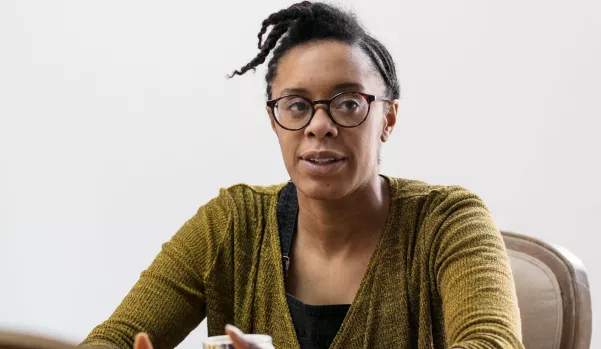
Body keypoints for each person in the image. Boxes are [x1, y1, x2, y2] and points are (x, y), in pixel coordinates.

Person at [81, 2, 524, 349]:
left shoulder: (448, 221)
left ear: (388, 118)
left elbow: (494, 343)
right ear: (274, 121)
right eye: (296, 105)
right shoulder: (232, 223)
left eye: (348, 103)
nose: (319, 125)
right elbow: (115, 337)